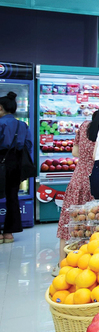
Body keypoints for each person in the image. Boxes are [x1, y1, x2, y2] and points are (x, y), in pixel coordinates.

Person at [55, 97, 99, 266]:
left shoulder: (84, 125)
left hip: (78, 178)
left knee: (69, 221)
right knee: (93, 225)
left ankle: (62, 263)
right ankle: (87, 263)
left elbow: (74, 152)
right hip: (98, 178)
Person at [0, 92, 33, 244]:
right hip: (15, 163)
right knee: (12, 197)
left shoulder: (1, 124)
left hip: (1, 161)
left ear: (1, 108)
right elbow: (28, 146)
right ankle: (8, 233)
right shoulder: (22, 125)